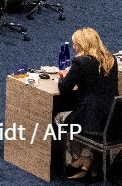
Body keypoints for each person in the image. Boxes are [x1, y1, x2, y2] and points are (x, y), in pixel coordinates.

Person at [56, 28, 119, 180]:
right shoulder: (111, 59)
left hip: (91, 118)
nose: (74, 47)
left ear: (81, 45)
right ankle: (89, 162)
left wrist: (61, 77)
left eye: (75, 44)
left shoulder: (81, 62)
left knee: (60, 118)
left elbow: (64, 87)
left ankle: (76, 159)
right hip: (112, 118)